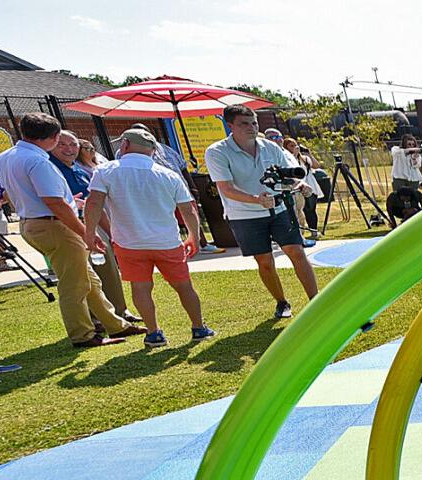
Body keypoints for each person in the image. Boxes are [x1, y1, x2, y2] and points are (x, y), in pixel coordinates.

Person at [0, 113, 144, 347]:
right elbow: (55, 202)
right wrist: (86, 232)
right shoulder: (39, 161)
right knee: (75, 284)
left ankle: (116, 324)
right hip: (54, 224)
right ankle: (83, 335)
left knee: (89, 280)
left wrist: (69, 203)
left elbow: (22, 193)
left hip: (32, 222)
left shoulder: (5, 156)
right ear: (53, 137)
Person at [85, 127, 213, 349]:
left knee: (141, 288)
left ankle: (154, 333)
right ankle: (199, 327)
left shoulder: (106, 170)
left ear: (125, 144)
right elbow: (188, 209)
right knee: (184, 286)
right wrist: (194, 236)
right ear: (153, 150)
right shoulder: (168, 174)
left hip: (128, 243)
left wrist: (89, 233)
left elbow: (94, 202)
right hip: (167, 242)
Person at [204, 104, 319, 319]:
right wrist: (257, 200)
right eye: (244, 124)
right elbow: (226, 188)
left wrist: (300, 185)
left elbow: (288, 175)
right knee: (265, 261)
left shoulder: (270, 147)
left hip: (279, 209)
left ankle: (316, 301)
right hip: (244, 216)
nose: (252, 127)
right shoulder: (217, 152)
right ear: (230, 126)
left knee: (297, 251)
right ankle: (282, 302)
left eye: (254, 123)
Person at [53, 130, 134, 325]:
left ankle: (120, 311)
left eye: (73, 145)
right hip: (71, 225)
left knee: (108, 267)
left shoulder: (80, 170)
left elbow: (96, 205)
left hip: (93, 224)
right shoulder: (52, 170)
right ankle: (96, 318)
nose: (69, 149)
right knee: (86, 274)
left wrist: (111, 233)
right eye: (62, 144)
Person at [281, 137, 324, 240]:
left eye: (295, 145)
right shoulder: (285, 158)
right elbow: (291, 168)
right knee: (299, 211)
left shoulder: (304, 159)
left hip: (309, 186)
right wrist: (294, 155)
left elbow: (316, 165)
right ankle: (300, 233)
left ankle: (314, 231)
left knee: (311, 210)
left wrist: (309, 154)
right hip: (296, 188)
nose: (295, 147)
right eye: (291, 146)